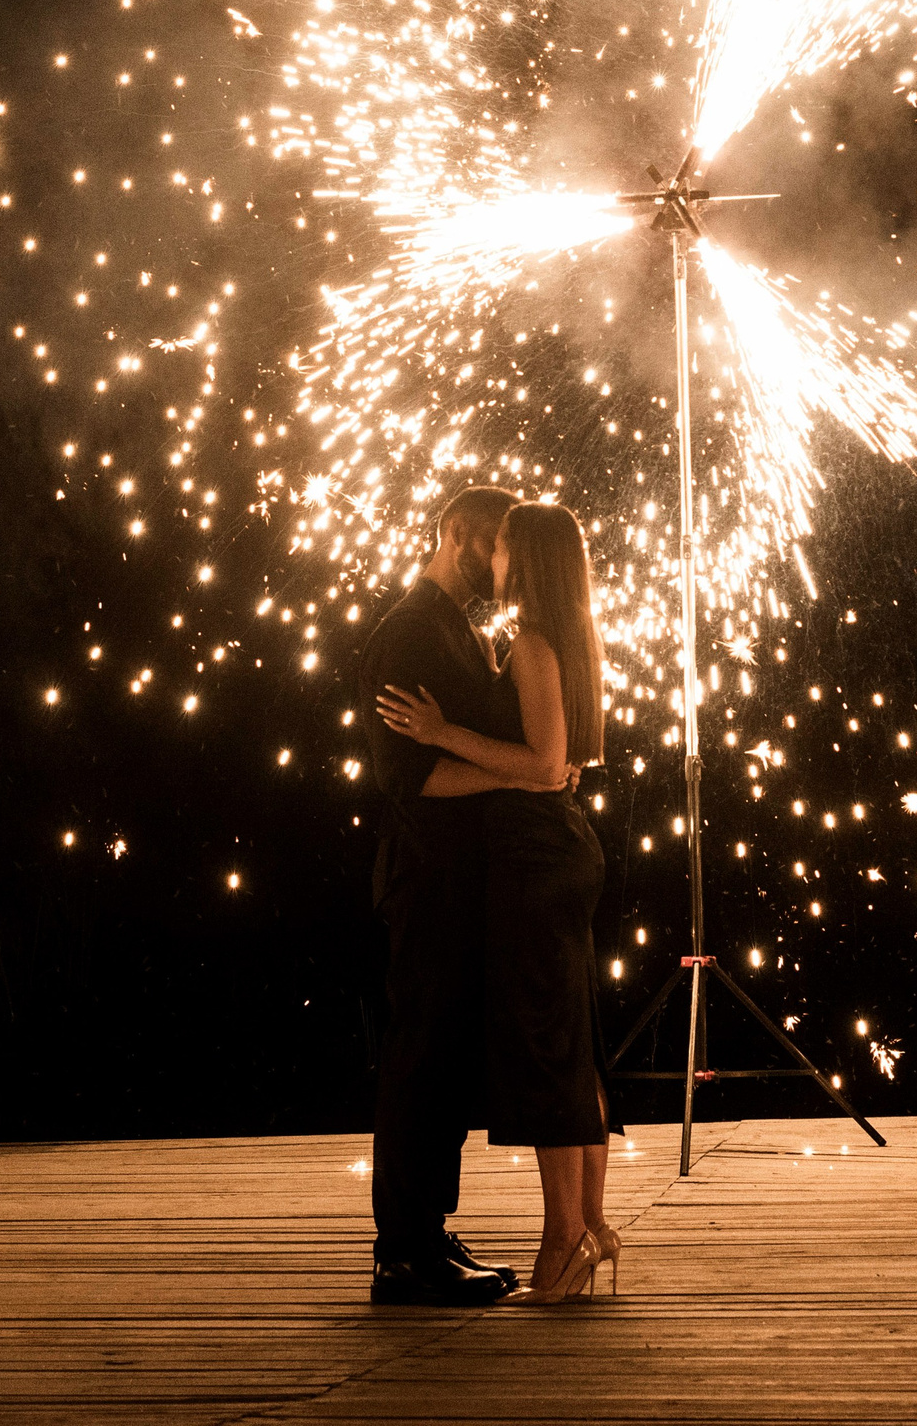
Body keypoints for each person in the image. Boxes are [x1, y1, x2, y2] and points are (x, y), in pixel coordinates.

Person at [379, 499, 620, 1305]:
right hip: (542, 853)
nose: (496, 561)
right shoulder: (546, 636)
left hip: (535, 858)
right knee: (568, 1047)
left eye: (507, 547)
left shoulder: (528, 640)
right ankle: (585, 1228)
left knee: (548, 1051)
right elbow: (548, 762)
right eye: (492, 544)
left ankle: (561, 1242)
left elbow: (544, 765)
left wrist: (444, 732)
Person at [356, 485, 556, 1306]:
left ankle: (427, 1230)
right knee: (421, 1057)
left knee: (446, 1058)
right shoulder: (408, 631)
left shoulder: (464, 621)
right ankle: (403, 1251)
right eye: (495, 543)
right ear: (454, 534)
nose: (505, 560)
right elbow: (407, 776)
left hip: (461, 876)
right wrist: (519, 775)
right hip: (427, 876)